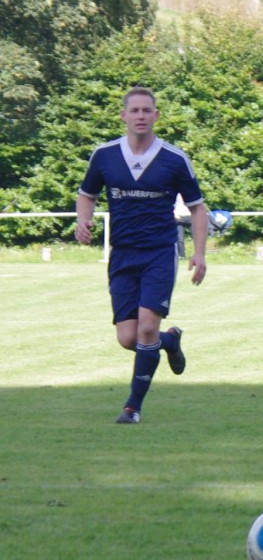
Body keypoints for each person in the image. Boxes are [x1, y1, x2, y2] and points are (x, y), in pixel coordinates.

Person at [75, 86, 208, 425]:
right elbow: (86, 194)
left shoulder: (174, 159)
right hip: (122, 255)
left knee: (147, 328)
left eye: (147, 111)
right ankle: (171, 341)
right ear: (123, 115)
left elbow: (197, 208)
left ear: (156, 116)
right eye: (134, 111)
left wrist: (199, 253)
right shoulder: (104, 156)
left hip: (160, 253)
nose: (140, 116)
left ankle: (132, 407)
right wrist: (83, 221)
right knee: (128, 338)